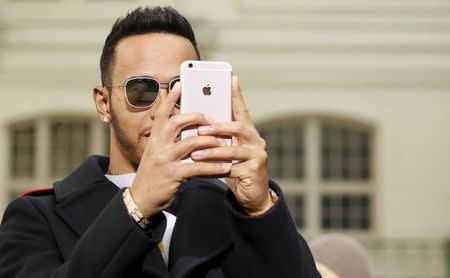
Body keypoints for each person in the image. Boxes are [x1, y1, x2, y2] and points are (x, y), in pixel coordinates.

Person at [0, 6, 320, 278]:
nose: (165, 110)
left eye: (183, 88)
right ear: (103, 103)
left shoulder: (235, 212)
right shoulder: (36, 217)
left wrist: (261, 208)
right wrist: (136, 206)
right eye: (143, 91)